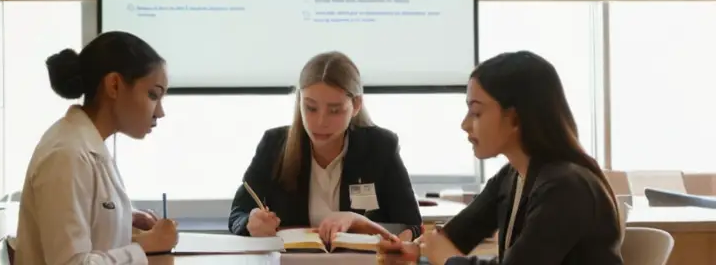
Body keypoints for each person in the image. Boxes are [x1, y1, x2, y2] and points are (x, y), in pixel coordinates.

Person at [380, 51, 623, 265]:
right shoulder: (511, 176)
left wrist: (446, 260)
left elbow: (447, 251)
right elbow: (453, 237)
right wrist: (415, 253)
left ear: (515, 118)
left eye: (476, 112)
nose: (465, 124)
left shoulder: (566, 187)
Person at [14, 31, 179, 265]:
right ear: (114, 85)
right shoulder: (67, 154)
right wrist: (146, 245)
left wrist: (121, 220)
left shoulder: (86, 143)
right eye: (153, 94)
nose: (160, 112)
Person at [228, 51, 423, 243]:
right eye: (311, 108)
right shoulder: (274, 145)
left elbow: (411, 225)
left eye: (335, 110)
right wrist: (250, 222)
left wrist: (357, 222)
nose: (321, 122)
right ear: (299, 102)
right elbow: (237, 215)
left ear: (355, 105)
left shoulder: (380, 146)